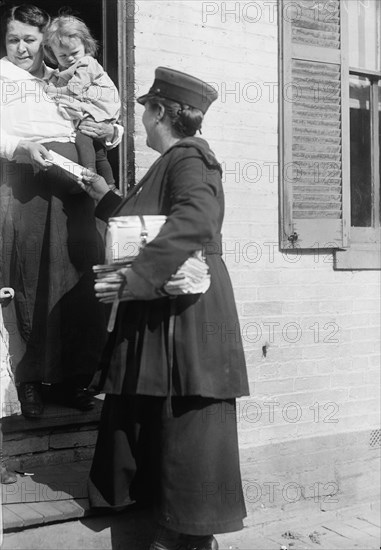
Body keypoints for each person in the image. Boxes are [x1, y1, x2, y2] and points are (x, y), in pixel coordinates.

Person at [80, 67, 250, 550]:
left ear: (159, 113)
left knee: (188, 413)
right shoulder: (175, 161)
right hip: (165, 310)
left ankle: (190, 535)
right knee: (153, 407)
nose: (142, 122)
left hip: (187, 313)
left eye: (144, 112)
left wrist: (137, 279)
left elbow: (196, 219)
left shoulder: (190, 160)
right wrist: (107, 198)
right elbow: (149, 227)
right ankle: (166, 522)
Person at [0, 3, 123, 418]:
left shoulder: (65, 74)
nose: (21, 48)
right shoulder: (2, 76)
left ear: (44, 44)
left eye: (30, 40)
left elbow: (105, 121)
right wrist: (19, 147)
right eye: (13, 39)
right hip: (28, 185)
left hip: (77, 189)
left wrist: (111, 130)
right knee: (29, 279)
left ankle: (73, 379)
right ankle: (29, 381)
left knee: (79, 280)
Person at [43, 14, 121, 195]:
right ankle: (110, 186)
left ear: (86, 46)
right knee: (99, 151)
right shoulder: (65, 70)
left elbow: (75, 89)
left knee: (83, 137)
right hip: (92, 110)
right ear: (52, 54)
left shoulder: (87, 63)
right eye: (62, 55)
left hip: (100, 107)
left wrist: (53, 91)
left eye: (74, 53)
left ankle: (89, 173)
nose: (70, 58)